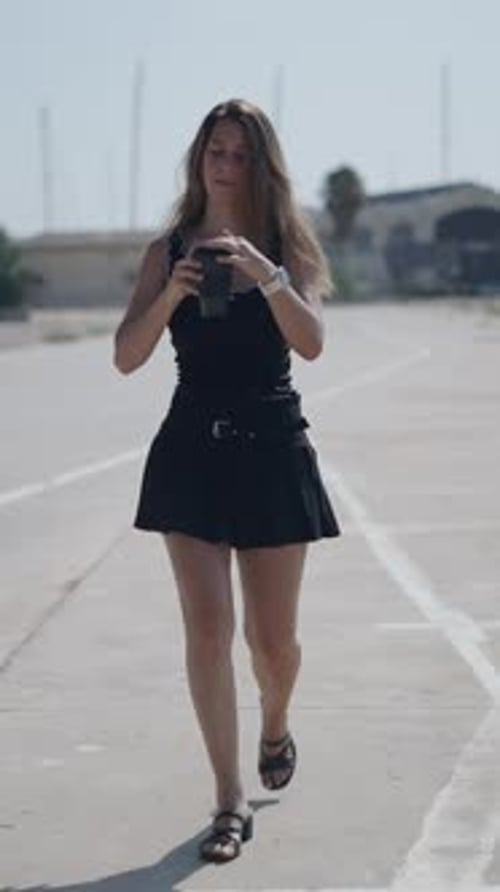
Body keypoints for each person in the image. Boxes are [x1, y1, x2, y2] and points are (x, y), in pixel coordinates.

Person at [113, 98, 340, 864]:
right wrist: (175, 290)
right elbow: (126, 355)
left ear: (260, 164)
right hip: (191, 452)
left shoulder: (287, 246)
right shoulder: (167, 248)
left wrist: (269, 276)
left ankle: (275, 722)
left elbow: (311, 344)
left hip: (273, 449)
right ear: (198, 156)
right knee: (207, 630)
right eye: (217, 149)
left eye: (242, 153)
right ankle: (227, 799)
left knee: (271, 645)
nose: (226, 164)